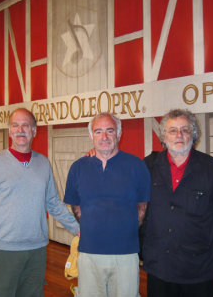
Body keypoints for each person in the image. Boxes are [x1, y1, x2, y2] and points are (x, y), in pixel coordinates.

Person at [0, 108, 80, 297]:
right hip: (2, 252)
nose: (20, 130)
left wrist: (77, 228)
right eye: (15, 125)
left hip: (36, 251)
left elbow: (52, 202)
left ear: (34, 131)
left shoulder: (43, 163)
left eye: (25, 125)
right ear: (10, 131)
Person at [142, 109, 213, 297]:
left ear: (193, 135)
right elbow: (123, 179)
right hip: (160, 267)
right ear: (164, 136)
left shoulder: (211, 168)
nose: (179, 135)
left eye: (185, 130)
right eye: (172, 130)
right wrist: (97, 155)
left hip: (200, 270)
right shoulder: (149, 166)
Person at [63, 112, 150, 297]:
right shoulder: (78, 168)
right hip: (88, 253)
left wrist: (124, 232)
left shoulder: (136, 166)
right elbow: (76, 206)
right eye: (98, 131)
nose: (104, 137)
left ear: (119, 134)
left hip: (126, 255)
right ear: (91, 135)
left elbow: (142, 207)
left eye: (110, 131)